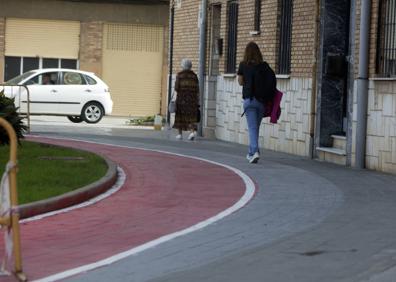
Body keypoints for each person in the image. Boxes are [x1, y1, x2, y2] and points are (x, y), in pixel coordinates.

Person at [237, 41, 276, 163]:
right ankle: (250, 153)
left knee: (253, 128)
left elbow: (240, 82)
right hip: (261, 102)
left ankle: (255, 151)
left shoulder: (243, 65)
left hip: (249, 100)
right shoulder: (264, 66)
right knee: (255, 127)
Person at [173, 58, 199, 140]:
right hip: (192, 100)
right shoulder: (194, 76)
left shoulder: (179, 75)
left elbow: (176, 88)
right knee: (191, 117)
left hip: (181, 100)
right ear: (190, 66)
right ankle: (192, 133)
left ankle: (180, 134)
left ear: (182, 66)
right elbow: (197, 89)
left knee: (180, 116)